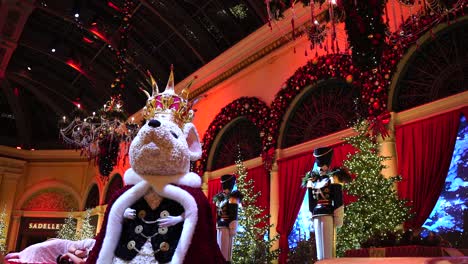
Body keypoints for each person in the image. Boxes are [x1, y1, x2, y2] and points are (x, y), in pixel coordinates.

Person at [305, 147, 350, 260]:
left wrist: (338, 215)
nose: (320, 167)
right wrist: (311, 215)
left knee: (326, 247)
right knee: (323, 248)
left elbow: (337, 198)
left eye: (322, 164)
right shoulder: (318, 180)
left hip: (323, 213)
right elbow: (312, 200)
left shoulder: (327, 179)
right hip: (322, 213)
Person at [213, 174, 241, 262]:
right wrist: (233, 229)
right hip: (227, 228)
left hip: (221, 227)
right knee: (225, 254)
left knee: (222, 252)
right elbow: (233, 215)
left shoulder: (221, 199)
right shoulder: (232, 198)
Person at [4, 238, 95, 264]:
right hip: (61, 246)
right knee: (39, 248)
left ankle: (18, 257)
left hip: (62, 256)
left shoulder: (99, 258)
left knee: (40, 257)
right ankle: (20, 255)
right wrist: (75, 252)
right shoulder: (92, 243)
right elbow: (72, 246)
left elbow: (81, 263)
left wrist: (69, 254)